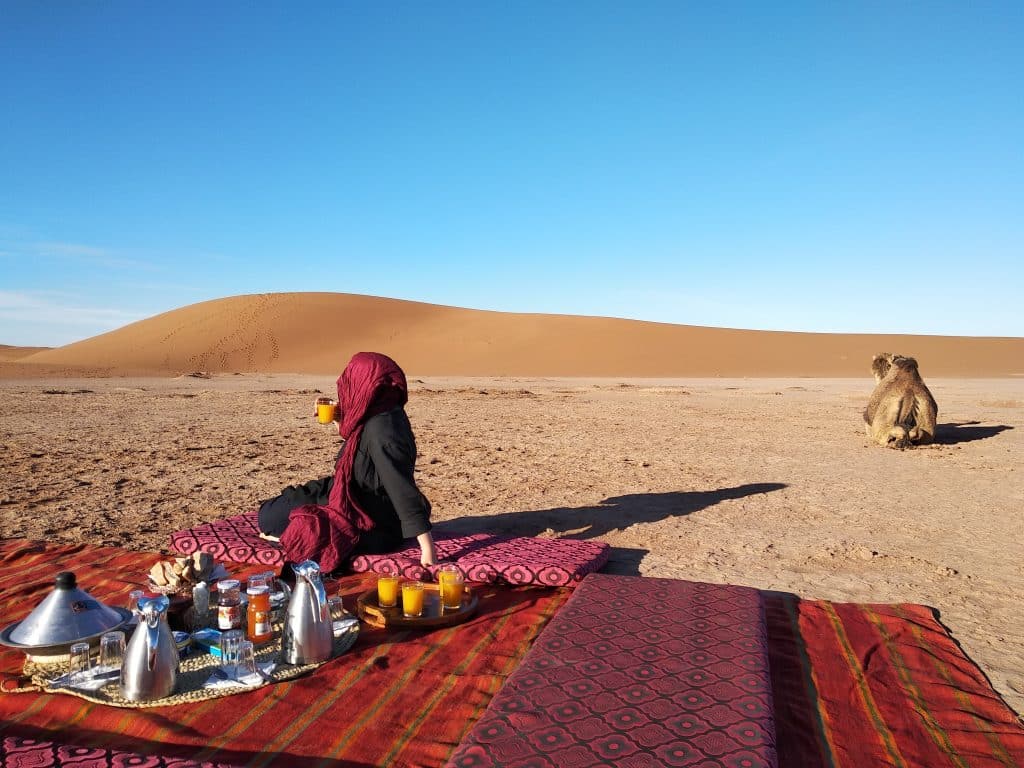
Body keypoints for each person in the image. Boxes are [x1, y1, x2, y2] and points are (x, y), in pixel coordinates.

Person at [257, 352, 436, 572]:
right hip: (347, 491)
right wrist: (338, 419)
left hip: (369, 516)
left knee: (271, 518)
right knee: (276, 508)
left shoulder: (383, 429)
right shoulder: (381, 412)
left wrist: (427, 549)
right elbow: (360, 446)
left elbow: (401, 488)